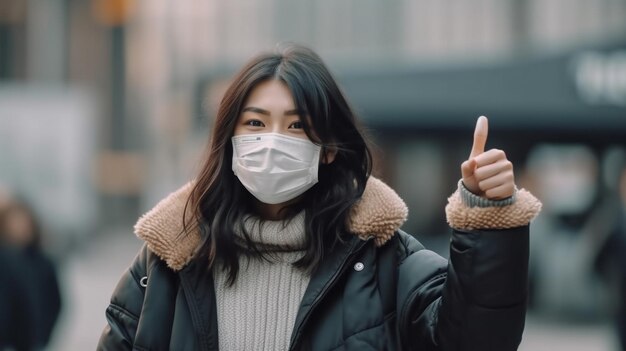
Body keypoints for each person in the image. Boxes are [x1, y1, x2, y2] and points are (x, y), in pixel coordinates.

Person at [97, 44, 541, 351]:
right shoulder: (169, 259)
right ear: (228, 138)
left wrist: (487, 216)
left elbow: (475, 341)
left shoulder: (386, 259)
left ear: (328, 148)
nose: (272, 141)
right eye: (255, 123)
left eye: (295, 125)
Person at [0, 198, 63, 351]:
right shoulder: (4, 259)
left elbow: (55, 301)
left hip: (33, 342)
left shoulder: (42, 262)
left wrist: (43, 334)